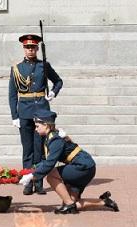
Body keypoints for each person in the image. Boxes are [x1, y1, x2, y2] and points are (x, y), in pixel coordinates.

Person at [18, 110, 119, 214]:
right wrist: (31, 171)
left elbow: (49, 164)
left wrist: (32, 176)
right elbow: (46, 161)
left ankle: (68, 204)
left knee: (51, 175)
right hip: (85, 167)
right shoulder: (51, 136)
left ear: (46, 125)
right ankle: (104, 201)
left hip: (82, 167)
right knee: (74, 203)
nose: (35, 129)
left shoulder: (55, 140)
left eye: (37, 126)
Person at [9, 34, 63, 195]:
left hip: (41, 111)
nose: (30, 50)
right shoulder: (17, 68)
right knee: (28, 149)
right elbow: (12, 94)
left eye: (33, 47)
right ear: (24, 49)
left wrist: (53, 92)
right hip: (24, 111)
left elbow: (58, 81)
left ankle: (38, 181)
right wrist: (14, 116)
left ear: (37, 49)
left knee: (40, 148)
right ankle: (27, 181)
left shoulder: (44, 66)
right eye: (27, 47)